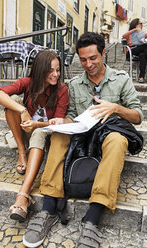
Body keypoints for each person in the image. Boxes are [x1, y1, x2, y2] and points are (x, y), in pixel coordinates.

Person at [23, 32, 144, 248]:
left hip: (108, 135)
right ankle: (48, 208)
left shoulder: (121, 79)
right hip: (81, 135)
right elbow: (70, 114)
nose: (88, 64)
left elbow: (138, 116)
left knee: (117, 140)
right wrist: (63, 120)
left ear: (103, 53)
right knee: (59, 134)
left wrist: (115, 108)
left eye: (93, 58)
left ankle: (92, 218)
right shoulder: (75, 83)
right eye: (83, 59)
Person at [0, 50, 69, 221]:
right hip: (24, 132)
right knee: (13, 102)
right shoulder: (28, 83)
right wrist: (23, 110)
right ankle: (22, 152)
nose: (56, 74)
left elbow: (58, 121)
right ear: (41, 69)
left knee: (39, 134)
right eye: (51, 70)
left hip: (45, 134)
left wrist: (37, 125)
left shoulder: (62, 90)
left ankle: (23, 196)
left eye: (58, 70)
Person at [122, 18, 147, 83]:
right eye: (140, 23)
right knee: (145, 46)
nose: (141, 25)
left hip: (140, 51)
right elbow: (123, 36)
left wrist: (140, 32)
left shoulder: (142, 33)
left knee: (143, 55)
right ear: (135, 24)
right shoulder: (130, 33)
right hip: (131, 51)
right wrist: (134, 30)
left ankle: (141, 77)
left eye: (142, 24)